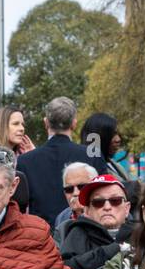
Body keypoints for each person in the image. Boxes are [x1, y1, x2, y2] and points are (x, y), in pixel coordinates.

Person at [17, 97, 108, 226]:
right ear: (74, 124)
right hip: (83, 231)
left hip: (41, 236)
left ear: (46, 123)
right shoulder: (92, 155)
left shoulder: (25, 160)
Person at [58, 174, 134, 269]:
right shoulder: (78, 232)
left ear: (127, 209)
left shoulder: (142, 233)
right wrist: (111, 250)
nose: (107, 207)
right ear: (87, 211)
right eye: (98, 202)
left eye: (115, 200)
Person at [0, 105, 33, 213]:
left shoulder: (22, 155)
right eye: (16, 124)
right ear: (1, 126)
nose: (22, 128)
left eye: (22, 124)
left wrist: (32, 157)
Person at [80, 112, 134, 183]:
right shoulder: (88, 171)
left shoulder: (114, 165)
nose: (118, 139)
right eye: (112, 135)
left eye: (118, 134)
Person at [53, 161, 98, 238]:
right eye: (69, 189)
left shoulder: (105, 212)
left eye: (82, 186)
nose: (75, 193)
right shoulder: (61, 218)